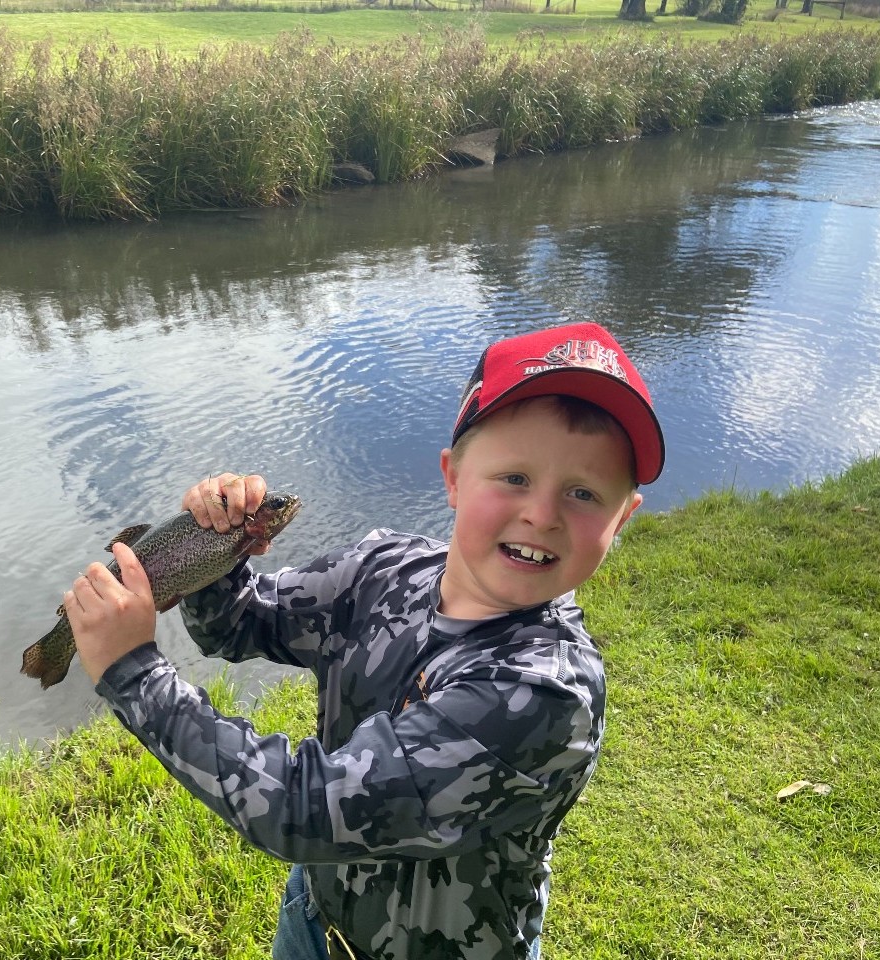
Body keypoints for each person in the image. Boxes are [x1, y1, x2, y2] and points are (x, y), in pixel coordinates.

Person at [62, 321, 662, 960]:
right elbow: (240, 624)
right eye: (514, 477)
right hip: (315, 920)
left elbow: (304, 808)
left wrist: (134, 673)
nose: (542, 513)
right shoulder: (383, 568)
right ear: (453, 477)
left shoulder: (544, 692)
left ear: (623, 516)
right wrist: (218, 553)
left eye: (583, 493)